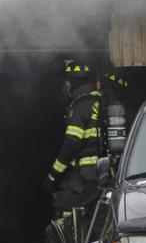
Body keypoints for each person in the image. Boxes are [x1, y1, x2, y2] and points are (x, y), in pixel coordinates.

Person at [44, 61, 105, 213]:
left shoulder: (80, 106)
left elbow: (72, 143)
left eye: (67, 82)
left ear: (74, 83)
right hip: (105, 173)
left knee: (63, 208)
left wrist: (53, 175)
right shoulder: (101, 102)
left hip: (84, 175)